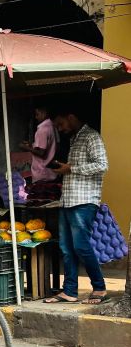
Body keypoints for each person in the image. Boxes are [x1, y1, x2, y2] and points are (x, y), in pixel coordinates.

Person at [43, 109, 109, 305]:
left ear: (71, 116)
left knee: (81, 246)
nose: (60, 129)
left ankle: (99, 287)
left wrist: (71, 168)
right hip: (68, 200)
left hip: (84, 201)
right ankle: (69, 291)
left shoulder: (91, 136)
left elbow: (103, 165)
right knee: (66, 248)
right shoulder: (74, 139)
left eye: (61, 124)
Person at [20, 107, 58, 183]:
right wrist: (32, 144)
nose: (36, 117)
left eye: (37, 114)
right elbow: (48, 145)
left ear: (44, 113)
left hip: (42, 172)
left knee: (40, 193)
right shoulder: (52, 126)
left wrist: (25, 148)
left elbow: (41, 153)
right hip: (49, 172)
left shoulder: (42, 130)